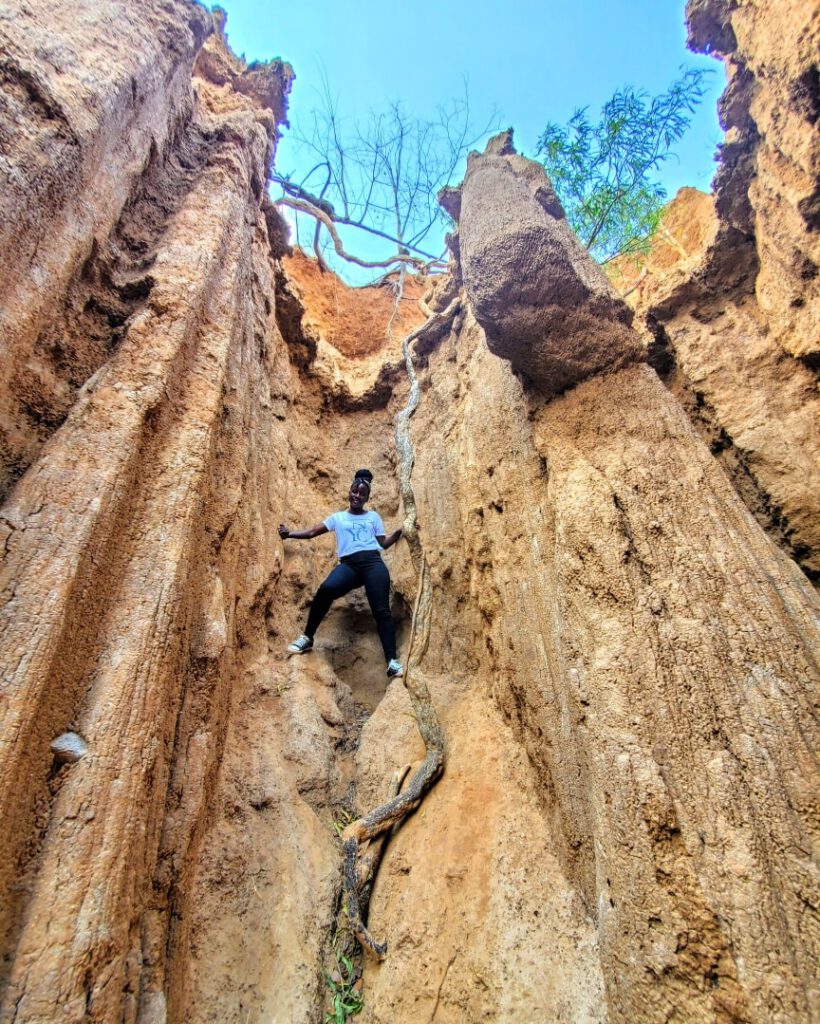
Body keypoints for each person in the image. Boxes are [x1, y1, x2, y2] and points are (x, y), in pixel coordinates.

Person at [278, 468, 405, 677]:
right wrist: (289, 534)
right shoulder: (338, 518)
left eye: (362, 494)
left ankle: (392, 662)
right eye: (355, 491)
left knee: (381, 610)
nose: (357, 496)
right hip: (350, 565)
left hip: (373, 563)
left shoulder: (373, 517)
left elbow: (384, 543)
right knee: (326, 589)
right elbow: (312, 532)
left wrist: (401, 532)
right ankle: (307, 638)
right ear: (350, 491)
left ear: (366, 498)